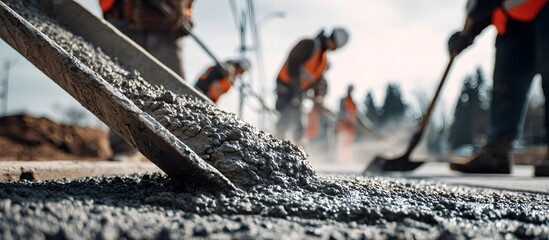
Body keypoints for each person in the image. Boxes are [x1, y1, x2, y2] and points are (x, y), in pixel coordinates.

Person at [447, 0, 548, 176]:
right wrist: (467, 34)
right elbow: (484, 6)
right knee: (505, 83)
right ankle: (497, 152)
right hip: (512, 22)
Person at [99, 0, 194, 161]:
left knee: (174, 91)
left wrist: (184, 12)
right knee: (121, 83)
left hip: (167, 28)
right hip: (125, 19)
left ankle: (181, 150)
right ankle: (125, 147)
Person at [275, 27, 349, 143]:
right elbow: (293, 62)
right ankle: (277, 141)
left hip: (299, 91)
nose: (334, 49)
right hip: (286, 84)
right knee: (287, 112)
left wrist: (318, 97)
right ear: (332, 39)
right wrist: (295, 87)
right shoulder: (309, 44)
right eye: (335, 46)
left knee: (296, 115)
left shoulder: (323, 61)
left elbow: (315, 81)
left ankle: (297, 145)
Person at [336, 84, 358, 164]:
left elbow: (355, 115)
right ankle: (341, 162)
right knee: (342, 145)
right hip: (344, 127)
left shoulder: (353, 103)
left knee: (348, 146)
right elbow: (341, 113)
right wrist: (346, 121)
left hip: (351, 128)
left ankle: (347, 161)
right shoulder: (344, 101)